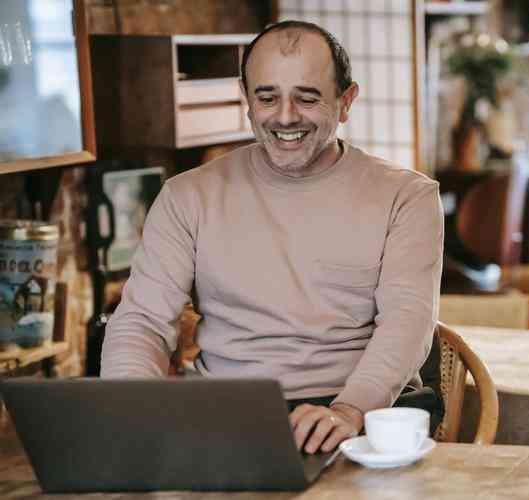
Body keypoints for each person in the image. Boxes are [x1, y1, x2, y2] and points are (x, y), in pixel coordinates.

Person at [101, 20, 444, 455]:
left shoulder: (407, 196)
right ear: (246, 99)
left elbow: (408, 322)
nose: (285, 117)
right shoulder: (187, 195)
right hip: (229, 416)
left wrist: (348, 411)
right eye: (267, 97)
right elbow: (142, 322)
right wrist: (129, 410)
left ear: (345, 101)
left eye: (307, 97)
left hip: (362, 414)